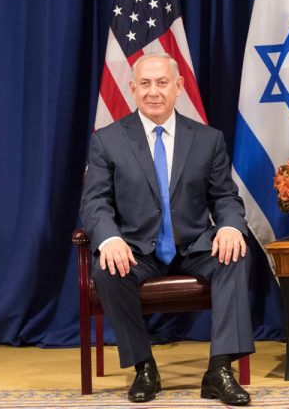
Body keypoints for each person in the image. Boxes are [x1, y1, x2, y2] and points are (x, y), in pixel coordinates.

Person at [80, 53, 253, 406]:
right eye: (145, 83)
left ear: (179, 87)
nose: (153, 91)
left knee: (234, 256)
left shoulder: (207, 139)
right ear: (132, 89)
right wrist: (110, 238)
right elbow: (94, 202)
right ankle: (144, 367)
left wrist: (231, 227)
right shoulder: (108, 140)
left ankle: (219, 370)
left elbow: (225, 197)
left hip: (193, 247)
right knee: (107, 270)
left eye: (162, 83)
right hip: (137, 250)